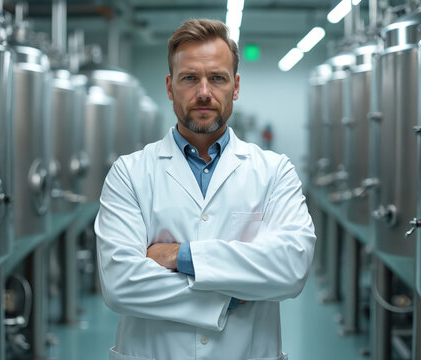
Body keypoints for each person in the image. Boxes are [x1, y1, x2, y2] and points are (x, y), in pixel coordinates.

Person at [95, 18, 316, 360]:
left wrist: (178, 255)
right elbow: (121, 284)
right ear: (169, 87)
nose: (203, 92)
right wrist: (231, 295)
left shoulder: (275, 172)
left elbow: (290, 268)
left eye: (217, 78)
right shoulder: (130, 173)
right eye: (189, 78)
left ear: (236, 86)